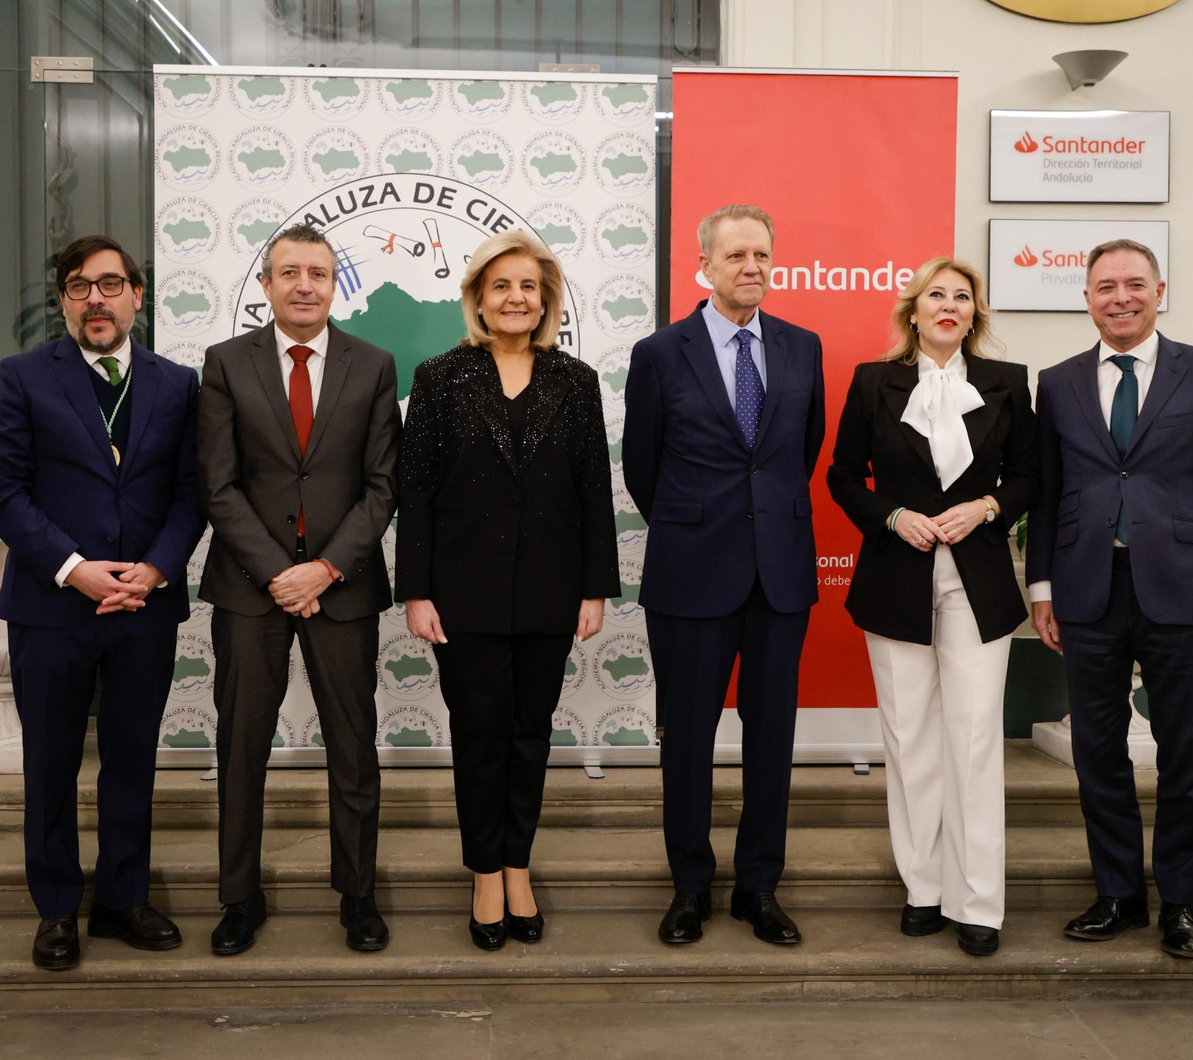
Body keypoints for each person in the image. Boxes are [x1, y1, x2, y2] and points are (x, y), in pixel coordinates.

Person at [1026, 239, 1193, 959]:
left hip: (1184, 590)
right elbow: (1047, 492)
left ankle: (1179, 902)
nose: (1119, 297)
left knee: (1187, 753)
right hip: (1086, 590)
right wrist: (1041, 586)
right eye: (1105, 287)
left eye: (1133, 284)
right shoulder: (1058, 382)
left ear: (1159, 292)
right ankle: (1119, 895)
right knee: (1098, 753)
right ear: (1086, 299)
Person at [0, 235, 204, 971]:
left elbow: (191, 493)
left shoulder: (178, 384)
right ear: (64, 300)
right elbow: (2, 492)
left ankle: (121, 899)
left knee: (131, 760)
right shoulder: (23, 377)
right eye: (79, 286)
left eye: (110, 284)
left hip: (144, 606)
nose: (95, 299)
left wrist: (156, 569)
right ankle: (55, 910)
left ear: (138, 295)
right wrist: (74, 569)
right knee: (50, 764)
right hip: (51, 608)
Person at [396, 229, 619, 951]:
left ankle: (518, 866)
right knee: (479, 737)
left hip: (553, 590)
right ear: (479, 299)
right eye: (502, 286)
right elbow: (415, 491)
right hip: (463, 594)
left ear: (545, 300)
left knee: (529, 736)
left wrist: (595, 588)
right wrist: (416, 592)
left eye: (528, 286)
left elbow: (593, 490)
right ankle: (484, 873)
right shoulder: (438, 377)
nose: (516, 298)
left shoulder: (576, 380)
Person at [623, 204, 826, 946]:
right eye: (736, 254)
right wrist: (698, 523)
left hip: (780, 574)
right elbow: (642, 466)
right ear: (704, 265)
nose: (752, 266)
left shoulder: (803, 346)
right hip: (690, 573)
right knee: (687, 740)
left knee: (772, 739)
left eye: (762, 254)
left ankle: (758, 887)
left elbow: (801, 452)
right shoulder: (659, 353)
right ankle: (689, 888)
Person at [197, 223, 401, 956]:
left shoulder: (373, 365)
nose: (305, 285)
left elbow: (383, 485)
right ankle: (239, 898)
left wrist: (326, 568)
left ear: (335, 284)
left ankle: (358, 896)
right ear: (266, 284)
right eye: (290, 272)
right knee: (241, 748)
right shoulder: (226, 363)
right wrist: (279, 573)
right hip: (250, 589)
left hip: (342, 588)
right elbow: (218, 485)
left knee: (354, 748)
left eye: (318, 273)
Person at [827, 257, 1037, 956]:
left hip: (978, 581)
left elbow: (1031, 475)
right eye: (936, 295)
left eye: (962, 297)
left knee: (974, 741)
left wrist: (987, 507)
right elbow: (842, 476)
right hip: (896, 579)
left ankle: (978, 902)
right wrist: (891, 517)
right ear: (913, 312)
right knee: (909, 736)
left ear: (974, 314)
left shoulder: (1008, 382)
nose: (950, 305)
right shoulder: (872, 382)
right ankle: (923, 888)